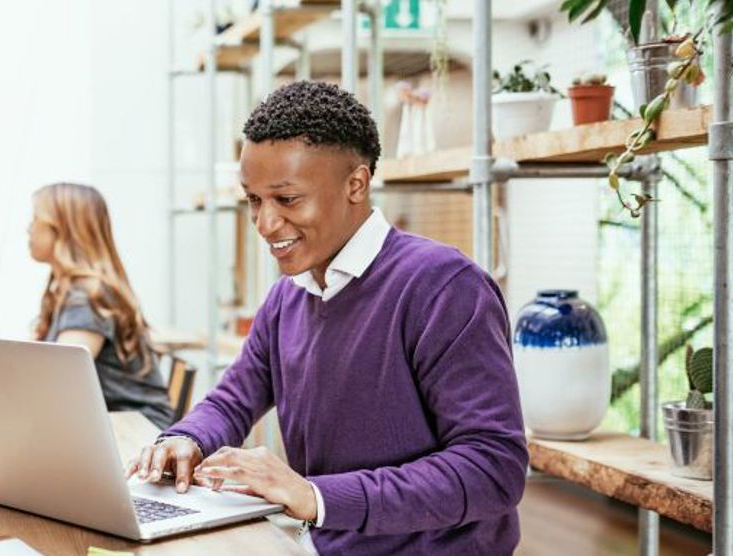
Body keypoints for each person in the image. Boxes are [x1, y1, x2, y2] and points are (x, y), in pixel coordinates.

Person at [126, 81, 527, 554]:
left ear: (356, 184)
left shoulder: (444, 287)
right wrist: (187, 438)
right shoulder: (286, 299)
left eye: (287, 199)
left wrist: (314, 495)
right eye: (254, 199)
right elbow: (233, 400)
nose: (264, 223)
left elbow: (492, 468)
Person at [29, 182, 174, 429]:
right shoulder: (72, 291)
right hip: (113, 423)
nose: (28, 229)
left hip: (135, 431)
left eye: (36, 220)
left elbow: (58, 378)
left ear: (63, 229)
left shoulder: (88, 296)